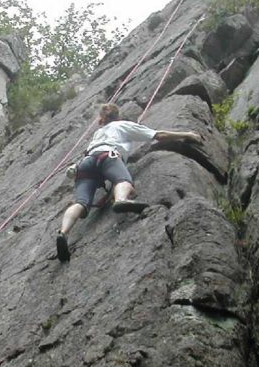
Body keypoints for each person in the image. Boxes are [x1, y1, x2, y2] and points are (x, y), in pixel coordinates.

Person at [56, 103, 202, 262]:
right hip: (108, 156)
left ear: (103, 118)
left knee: (80, 202)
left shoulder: (98, 133)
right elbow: (158, 135)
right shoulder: (122, 125)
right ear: (117, 116)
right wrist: (187, 134)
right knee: (123, 180)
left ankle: (63, 233)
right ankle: (120, 200)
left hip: (85, 163)